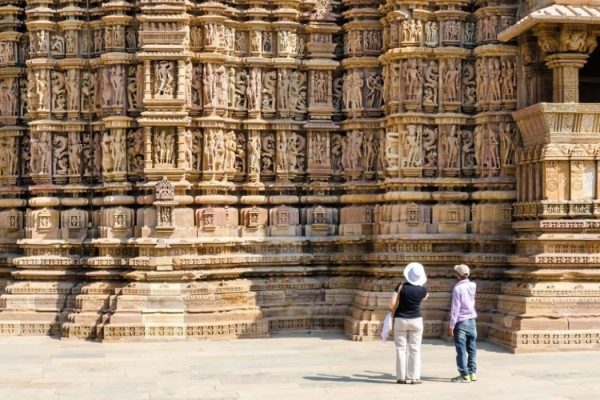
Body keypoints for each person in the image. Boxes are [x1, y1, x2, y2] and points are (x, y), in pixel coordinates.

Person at [388, 262, 429, 384]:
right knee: (415, 349)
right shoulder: (422, 290)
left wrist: (392, 310)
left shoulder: (400, 287)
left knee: (401, 349)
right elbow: (426, 296)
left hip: (400, 319)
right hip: (416, 320)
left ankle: (401, 377)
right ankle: (414, 377)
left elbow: (391, 303)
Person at [449, 264, 478, 383]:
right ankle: (473, 373)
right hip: (472, 321)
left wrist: (451, 325)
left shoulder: (457, 289)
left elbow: (455, 308)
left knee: (461, 350)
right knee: (472, 349)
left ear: (458, 275)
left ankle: (464, 374)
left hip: (461, 322)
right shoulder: (473, 285)